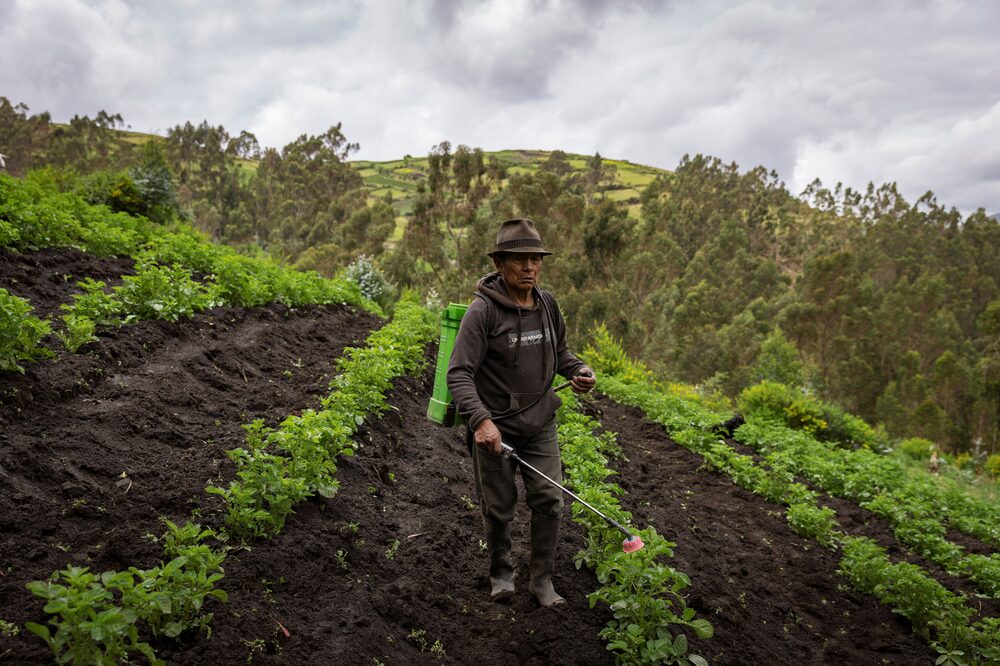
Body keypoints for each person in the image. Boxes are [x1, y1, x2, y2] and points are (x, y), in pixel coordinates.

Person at [447, 218, 596, 607]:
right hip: (496, 428)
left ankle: (541, 580)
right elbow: (458, 373)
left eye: (535, 259)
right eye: (519, 260)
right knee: (498, 507)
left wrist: (578, 370)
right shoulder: (482, 313)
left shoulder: (547, 305)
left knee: (549, 500)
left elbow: (561, 353)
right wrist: (481, 421)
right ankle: (501, 575)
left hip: (540, 422)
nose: (529, 267)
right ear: (499, 263)